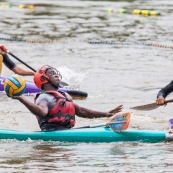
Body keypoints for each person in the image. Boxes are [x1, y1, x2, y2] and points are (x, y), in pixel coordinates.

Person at [10, 65, 123, 131]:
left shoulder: (64, 96)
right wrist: (21, 98)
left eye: (56, 73)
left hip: (67, 131)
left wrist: (106, 114)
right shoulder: (44, 97)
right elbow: (42, 112)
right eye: (52, 73)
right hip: (51, 133)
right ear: (44, 79)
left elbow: (81, 111)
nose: (56, 75)